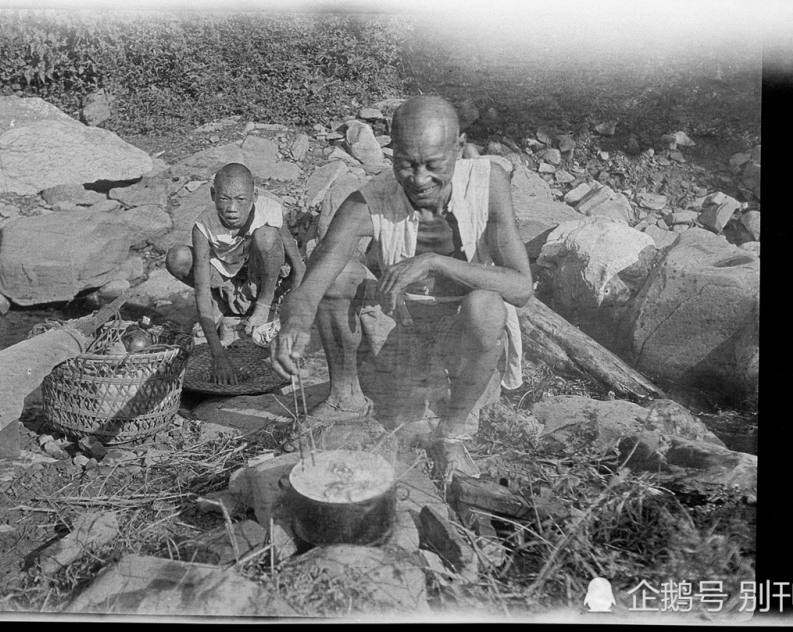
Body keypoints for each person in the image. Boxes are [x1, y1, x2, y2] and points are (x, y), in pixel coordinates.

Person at [270, 96, 532, 445]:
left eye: (433, 164)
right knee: (342, 274)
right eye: (406, 164)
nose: (420, 179)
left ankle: (455, 424)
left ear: (459, 148)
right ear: (393, 152)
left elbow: (520, 287)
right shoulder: (368, 202)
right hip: (401, 328)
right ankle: (345, 397)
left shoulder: (487, 182)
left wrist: (433, 261)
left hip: (462, 340)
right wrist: (295, 324)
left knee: (486, 306)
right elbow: (310, 287)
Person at [167, 163, 305, 385]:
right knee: (177, 257)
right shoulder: (204, 225)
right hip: (227, 281)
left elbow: (299, 269)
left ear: (254, 196)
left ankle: (262, 306)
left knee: (267, 237)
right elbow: (200, 291)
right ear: (213, 195)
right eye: (224, 199)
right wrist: (218, 356)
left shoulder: (269, 210)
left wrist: (292, 318)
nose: (232, 208)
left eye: (241, 200)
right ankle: (221, 304)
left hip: (263, 280)